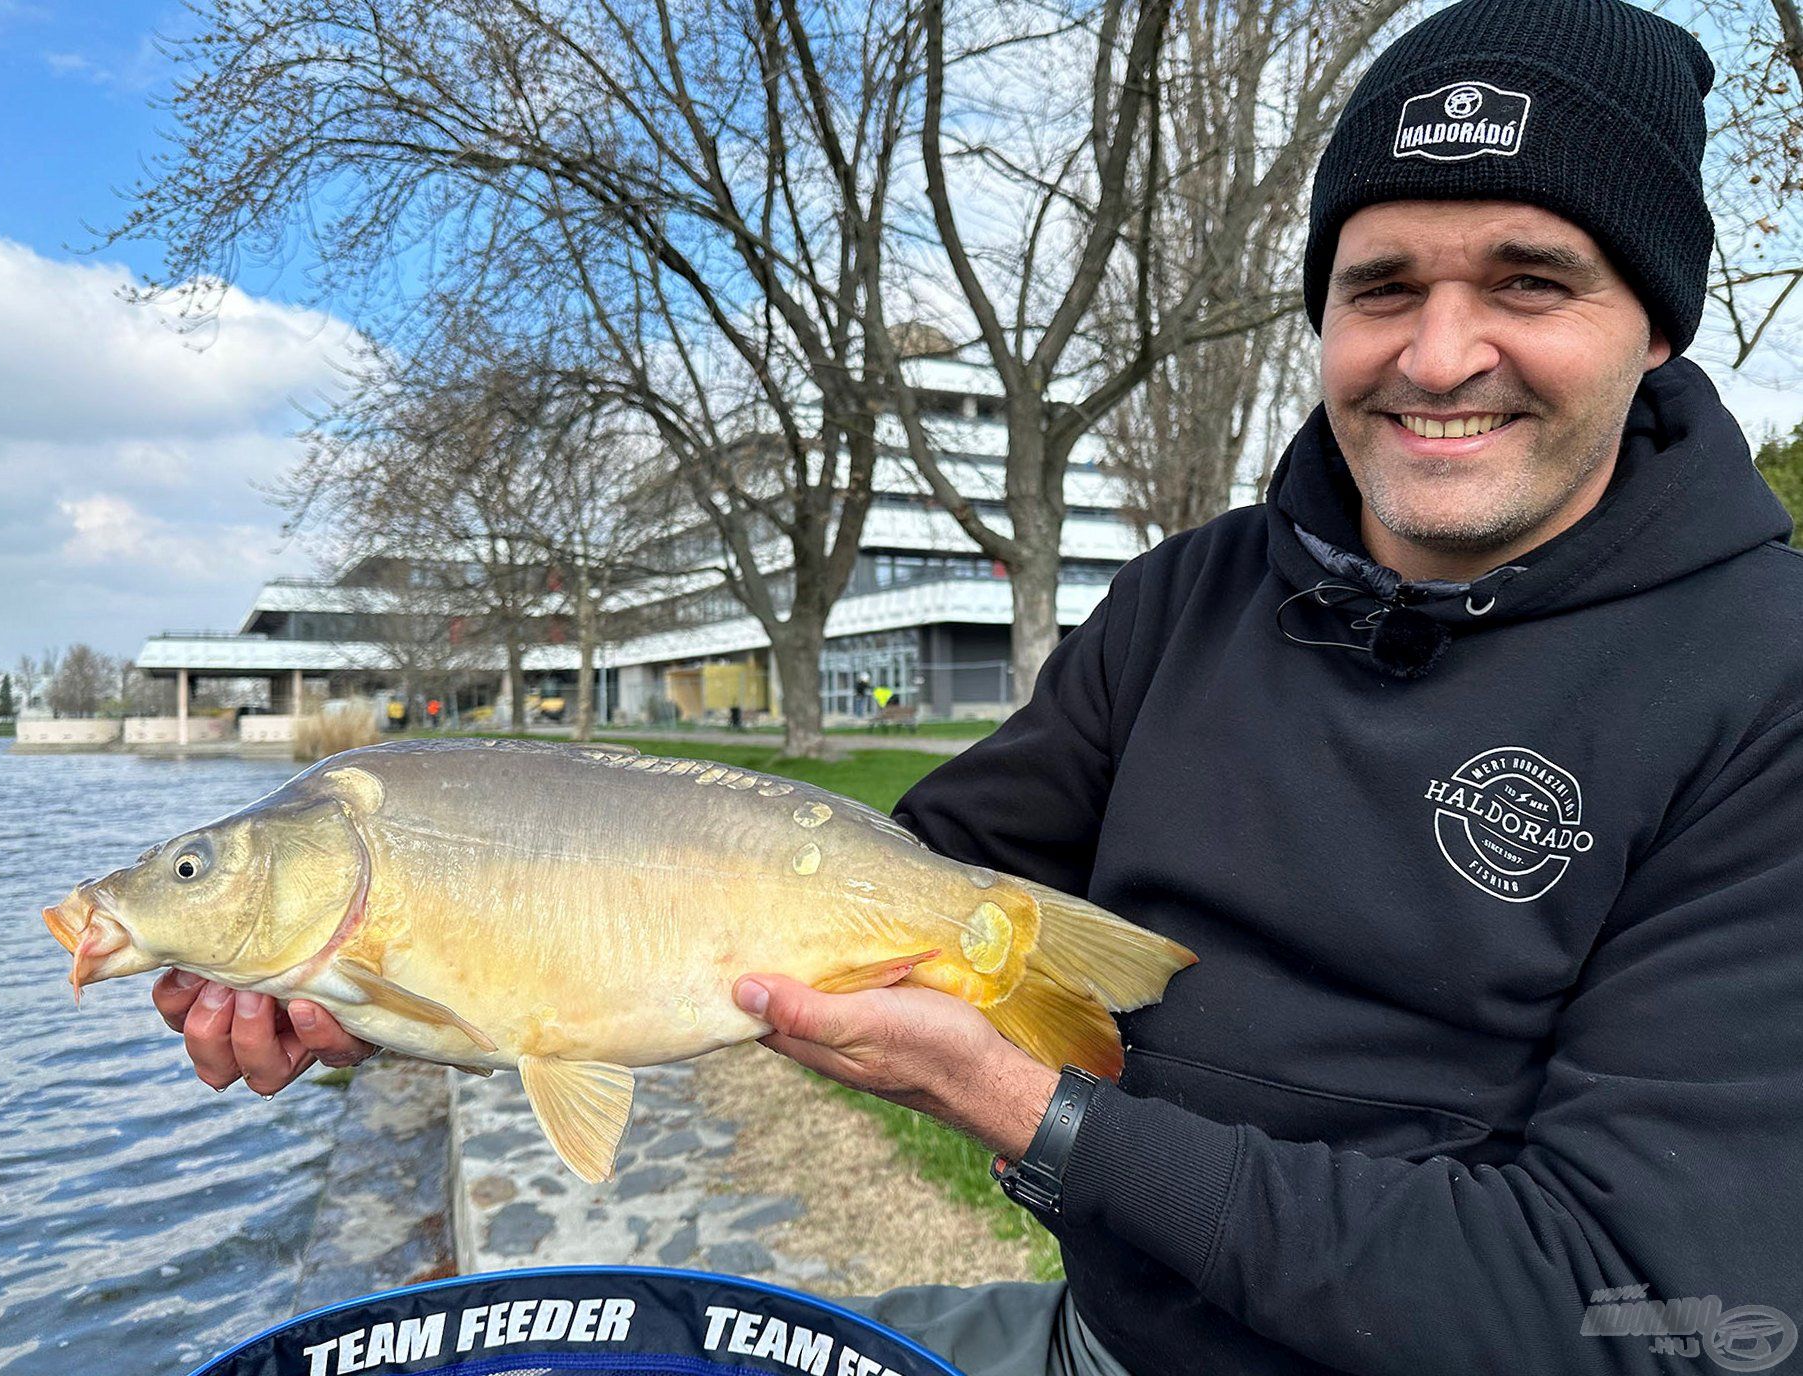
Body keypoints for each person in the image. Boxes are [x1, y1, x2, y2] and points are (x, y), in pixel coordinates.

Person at [152, 2, 1803, 1372]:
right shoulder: (1191, 597)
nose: (1439, 356)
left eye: (1528, 282)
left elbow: (1650, 1311)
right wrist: (411, 977)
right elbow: (877, 873)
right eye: (1381, 287)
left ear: (1654, 327)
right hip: (1102, 1333)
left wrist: (1035, 1113)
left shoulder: (1764, 687)